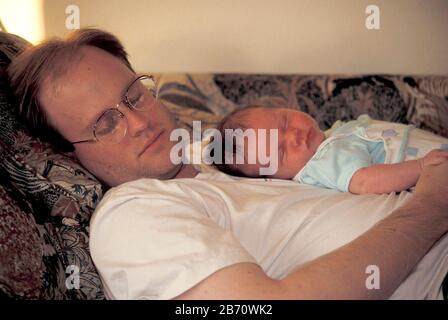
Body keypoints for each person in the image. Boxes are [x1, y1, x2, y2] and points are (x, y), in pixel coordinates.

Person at [7, 28, 448, 299]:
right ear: (68, 153)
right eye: (106, 122)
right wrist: (431, 209)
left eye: (134, 95)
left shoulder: (222, 154)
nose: (140, 122)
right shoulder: (134, 215)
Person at [216, 106, 448, 194]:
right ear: (274, 178)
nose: (293, 135)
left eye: (284, 122)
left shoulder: (330, 135)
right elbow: (365, 181)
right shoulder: (323, 162)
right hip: (431, 170)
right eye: (281, 151)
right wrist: (420, 167)